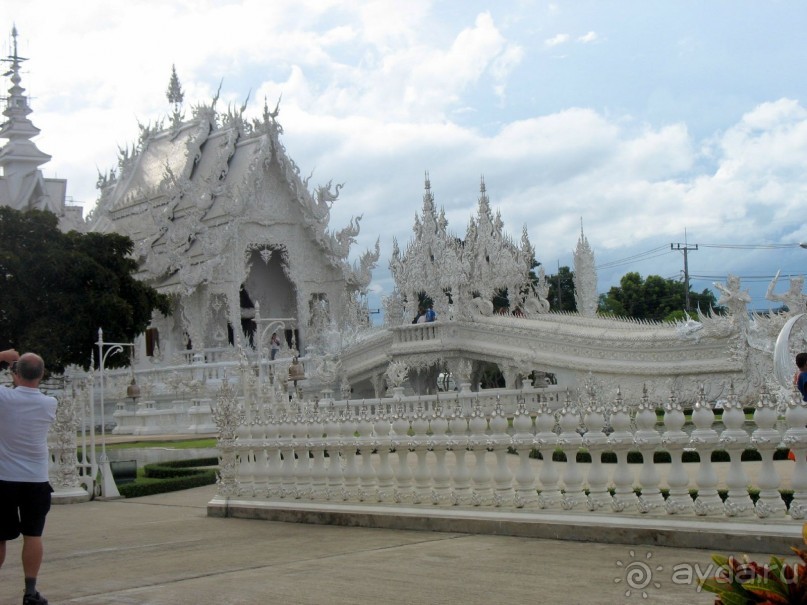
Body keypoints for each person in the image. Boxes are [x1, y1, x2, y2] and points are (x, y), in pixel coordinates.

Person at [0, 350, 57, 605]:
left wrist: (2, 354)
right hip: (35, 479)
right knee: (33, 535)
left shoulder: (4, 398)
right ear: (42, 375)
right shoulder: (49, 403)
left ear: (15, 373)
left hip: (4, 478)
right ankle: (30, 592)